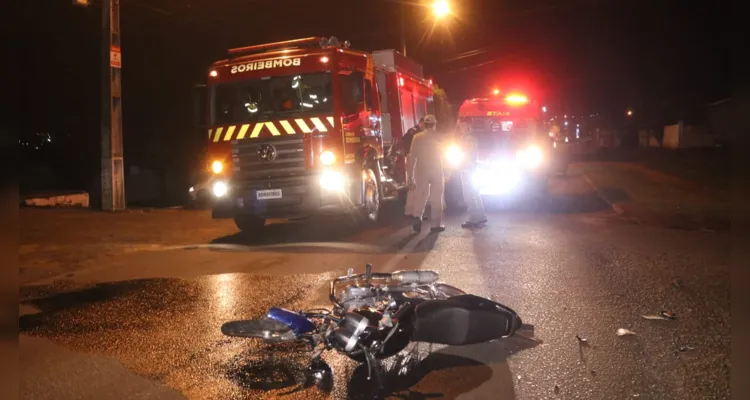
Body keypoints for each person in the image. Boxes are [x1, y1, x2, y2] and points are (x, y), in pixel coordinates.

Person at [406, 114, 445, 233]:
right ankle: (435, 225)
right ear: (434, 124)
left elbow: (412, 157)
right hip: (437, 170)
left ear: (425, 124)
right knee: (436, 197)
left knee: (421, 195)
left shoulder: (417, 137)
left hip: (421, 170)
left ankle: (418, 217)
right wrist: (448, 171)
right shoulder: (440, 137)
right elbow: (445, 156)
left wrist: (410, 174)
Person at [458, 122, 487, 228]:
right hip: (471, 168)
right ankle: (481, 216)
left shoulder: (467, 139)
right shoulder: (471, 138)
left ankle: (473, 219)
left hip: (467, 169)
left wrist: (464, 166)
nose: (460, 128)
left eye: (461, 126)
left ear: (467, 127)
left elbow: (466, 154)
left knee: (469, 195)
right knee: (475, 193)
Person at [403, 118, 425, 219]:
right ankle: (414, 212)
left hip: (414, 160)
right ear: (420, 123)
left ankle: (411, 212)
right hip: (415, 161)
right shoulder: (414, 132)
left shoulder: (415, 132)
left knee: (413, 187)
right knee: (415, 187)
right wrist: (408, 153)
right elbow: (405, 142)